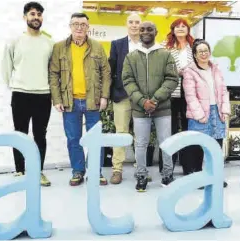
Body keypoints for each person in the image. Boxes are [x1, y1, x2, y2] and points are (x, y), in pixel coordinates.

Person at [49, 13, 111, 186]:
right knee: (73, 139)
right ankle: (78, 171)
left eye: (83, 24)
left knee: (95, 139)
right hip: (70, 102)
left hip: (93, 101)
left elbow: (106, 74)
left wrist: (104, 96)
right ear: (70, 26)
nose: (79, 27)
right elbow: (53, 74)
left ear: (88, 27)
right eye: (75, 24)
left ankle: (95, 172)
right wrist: (56, 99)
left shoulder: (97, 47)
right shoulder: (59, 47)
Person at [122, 21, 178, 192]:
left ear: (156, 31)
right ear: (138, 33)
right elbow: (127, 80)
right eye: (142, 29)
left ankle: (167, 175)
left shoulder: (165, 55)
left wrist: (154, 100)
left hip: (162, 108)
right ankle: (141, 176)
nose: (146, 32)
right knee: (140, 144)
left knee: (166, 143)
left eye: (149, 29)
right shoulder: (131, 57)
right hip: (140, 109)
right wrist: (142, 101)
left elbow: (172, 79)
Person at [2, 2, 53, 186]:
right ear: (25, 17)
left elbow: (51, 70)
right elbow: (6, 67)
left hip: (43, 95)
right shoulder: (15, 41)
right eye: (32, 14)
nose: (36, 17)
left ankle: (38, 172)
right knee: (20, 134)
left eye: (39, 14)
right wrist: (13, 85)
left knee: (40, 135)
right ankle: (20, 171)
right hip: (21, 94)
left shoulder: (49, 43)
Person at [182, 39, 230, 187]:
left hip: (217, 112)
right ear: (195, 55)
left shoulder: (216, 69)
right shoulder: (189, 71)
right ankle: (198, 178)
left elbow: (223, 90)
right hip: (199, 114)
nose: (204, 54)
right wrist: (199, 115)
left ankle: (215, 177)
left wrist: (225, 109)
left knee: (216, 147)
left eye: (206, 50)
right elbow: (190, 96)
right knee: (198, 147)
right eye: (200, 51)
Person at [107, 13, 142, 185]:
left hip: (143, 98)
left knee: (141, 135)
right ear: (126, 24)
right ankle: (117, 170)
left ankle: (140, 169)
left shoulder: (147, 45)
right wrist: (108, 95)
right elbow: (110, 71)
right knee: (120, 133)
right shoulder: (117, 44)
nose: (134, 25)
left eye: (137, 22)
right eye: (131, 22)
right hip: (122, 96)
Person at [162, 18, 195, 175]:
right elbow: (160, 69)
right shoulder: (165, 47)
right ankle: (168, 167)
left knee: (188, 129)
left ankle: (188, 166)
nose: (181, 29)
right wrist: (177, 72)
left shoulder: (194, 46)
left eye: (184, 26)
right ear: (173, 29)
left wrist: (188, 72)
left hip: (190, 93)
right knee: (170, 129)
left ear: (188, 29)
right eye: (178, 26)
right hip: (170, 93)